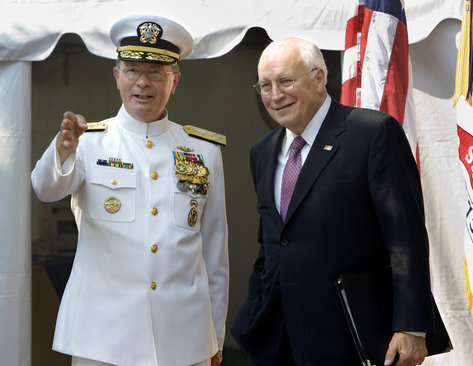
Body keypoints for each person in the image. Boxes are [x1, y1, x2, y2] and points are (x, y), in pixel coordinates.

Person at [231, 37, 451, 366]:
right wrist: (255, 311)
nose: (275, 96)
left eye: (286, 81)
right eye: (265, 85)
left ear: (319, 78)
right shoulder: (262, 152)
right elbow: (272, 241)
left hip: (351, 338)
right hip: (278, 340)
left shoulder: (371, 133)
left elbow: (405, 238)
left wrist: (411, 326)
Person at [31, 14, 229, 366]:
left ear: (175, 81)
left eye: (156, 72)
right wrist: (62, 151)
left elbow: (215, 252)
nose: (143, 83)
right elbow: (45, 190)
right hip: (102, 339)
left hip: (184, 339)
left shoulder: (203, 151)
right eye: (133, 70)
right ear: (117, 76)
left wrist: (215, 333)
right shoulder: (87, 142)